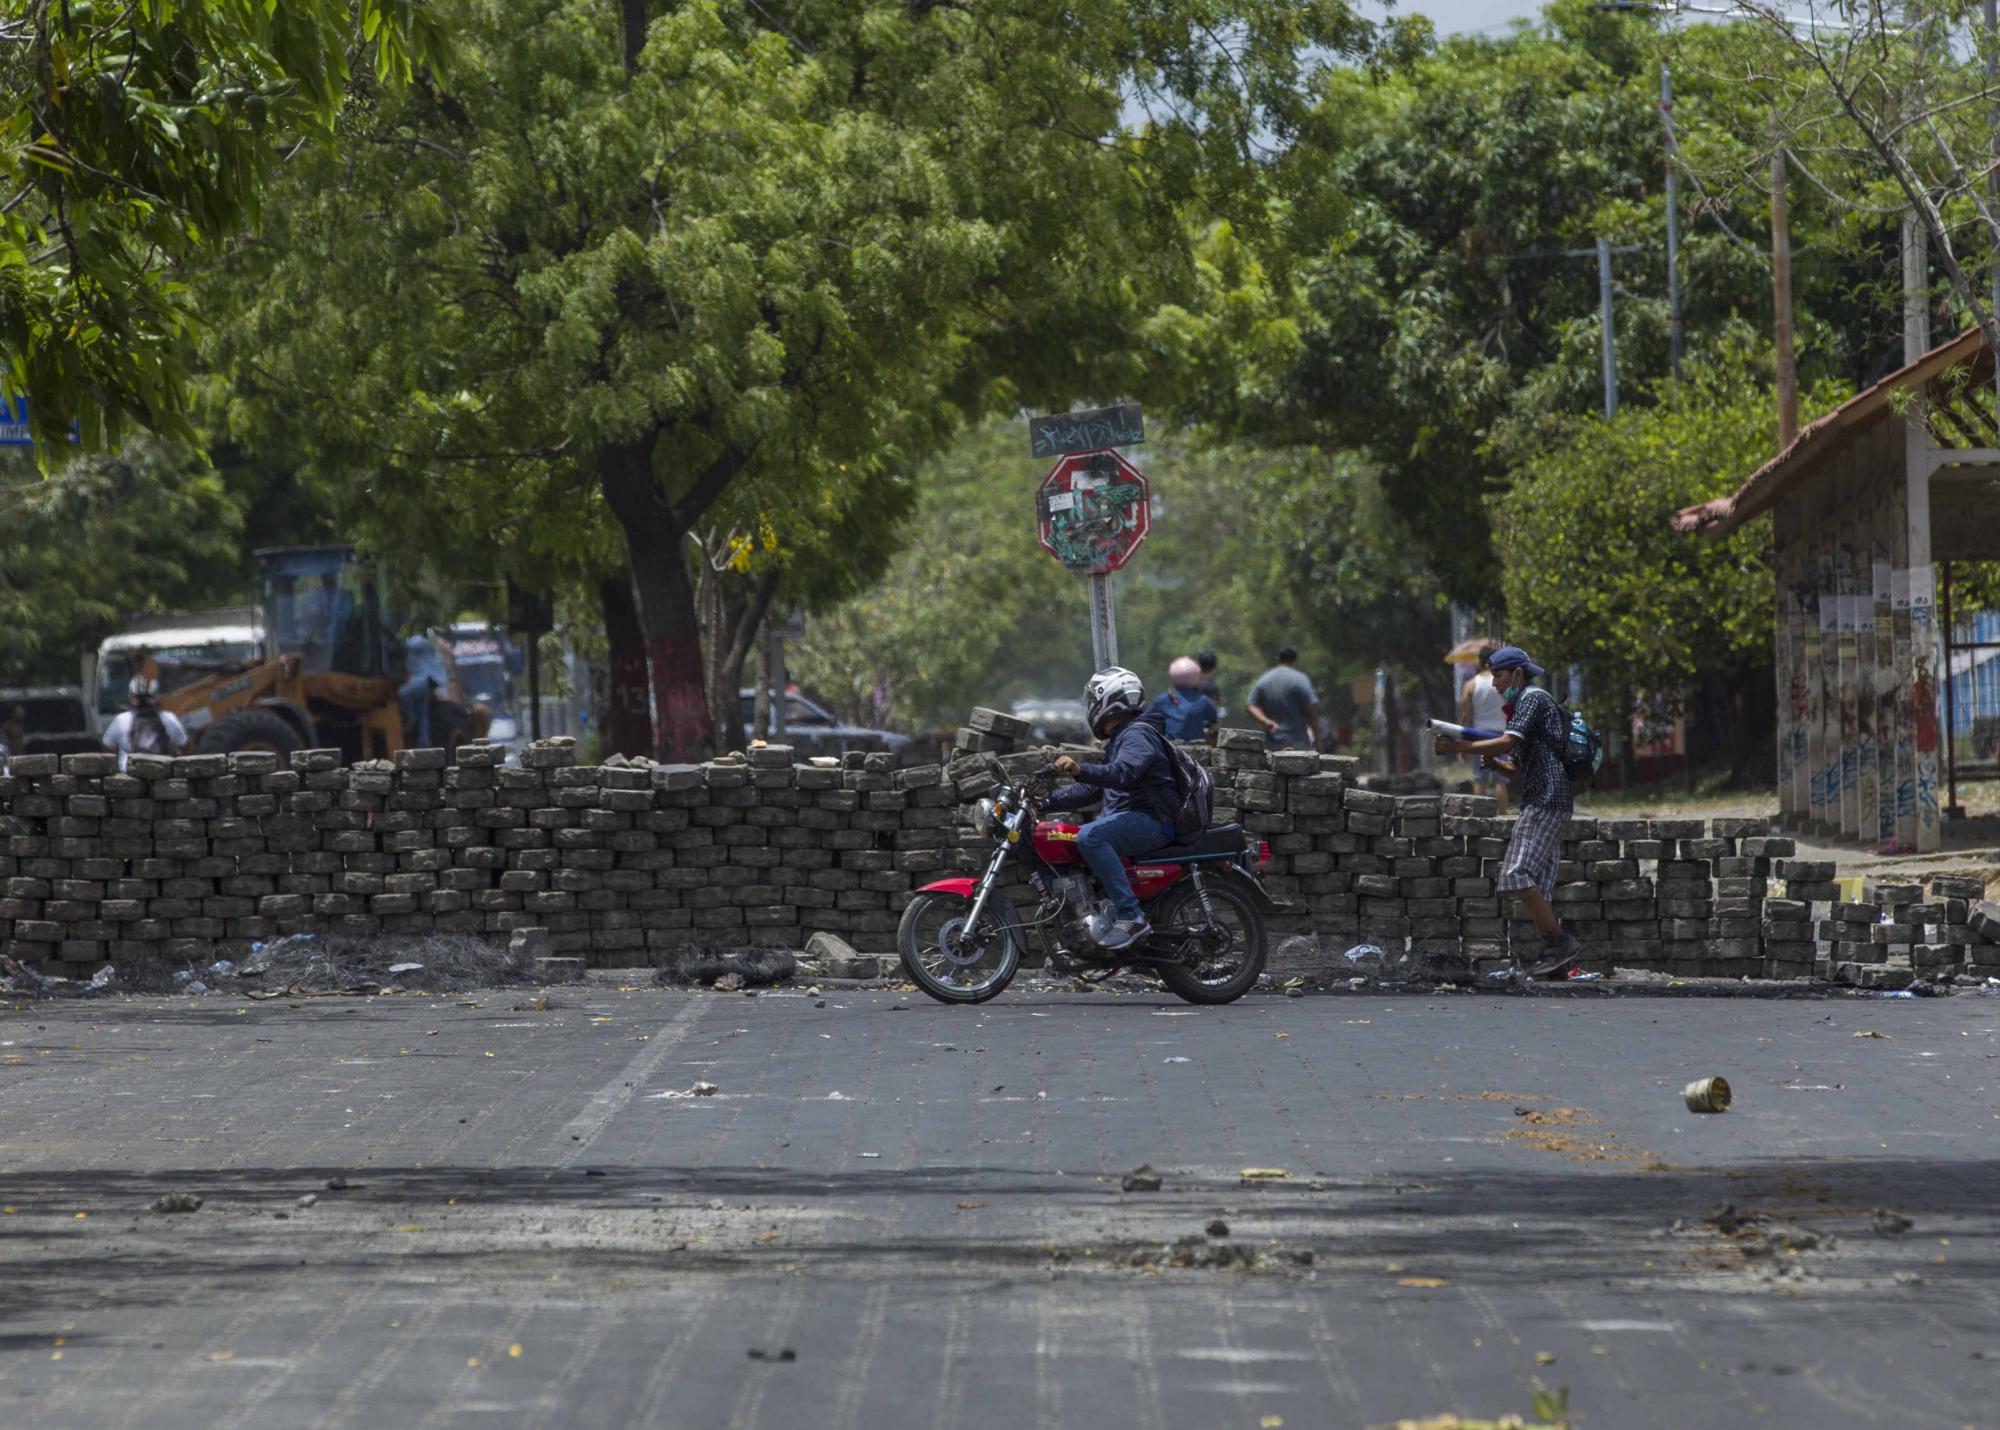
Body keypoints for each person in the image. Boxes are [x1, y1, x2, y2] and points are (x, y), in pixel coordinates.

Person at [1432, 645, 1581, 978]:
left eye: (1497, 675)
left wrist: (1458, 746)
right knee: (1537, 885)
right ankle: (1555, 958)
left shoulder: (1532, 697)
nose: (1494, 682)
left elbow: (1506, 742)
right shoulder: (1524, 703)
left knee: (1515, 875)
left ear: (1516, 673)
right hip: (1545, 796)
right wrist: (1496, 765)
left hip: (1546, 799)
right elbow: (1517, 768)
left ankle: (1560, 942)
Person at [1044, 667, 1180, 952]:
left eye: (1095, 699)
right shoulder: (1122, 738)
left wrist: (1080, 769)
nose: (1091, 706)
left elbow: (1122, 773)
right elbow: (1094, 789)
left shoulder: (1138, 735)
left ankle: (1131, 917)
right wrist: (1044, 801)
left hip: (1153, 820)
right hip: (1132, 818)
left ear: (1113, 700)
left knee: (1091, 837)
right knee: (1071, 837)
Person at [1460, 647, 1511, 815]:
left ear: (1479, 662)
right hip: (1501, 736)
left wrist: (1463, 744)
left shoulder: (1471, 685)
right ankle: (1503, 817)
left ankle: (1479, 817)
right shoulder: (1503, 683)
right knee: (1500, 780)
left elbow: (1465, 716)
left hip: (1479, 737)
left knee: (1479, 778)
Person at [102, 679, 188, 769]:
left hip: (129, 776)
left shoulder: (120, 720)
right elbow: (184, 746)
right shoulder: (169, 718)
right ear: (155, 697)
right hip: (161, 775)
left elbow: (107, 747)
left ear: (132, 697)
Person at [1247, 645, 1319, 751]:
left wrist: (1265, 721)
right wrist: (1317, 736)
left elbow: (1251, 706)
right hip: (1298, 742)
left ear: (1278, 659)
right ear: (1295, 660)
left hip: (1272, 743)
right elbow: (1312, 709)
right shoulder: (1300, 679)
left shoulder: (1264, 679)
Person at [1149, 656, 1218, 742]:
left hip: (1168, 747)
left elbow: (1147, 719)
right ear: (1196, 676)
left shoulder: (1163, 699)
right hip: (1195, 749)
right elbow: (1214, 719)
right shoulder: (1203, 700)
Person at [1195, 650, 1226, 720]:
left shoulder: (1191, 684)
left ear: (1198, 666)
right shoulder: (1213, 688)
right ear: (1214, 668)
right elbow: (1214, 711)